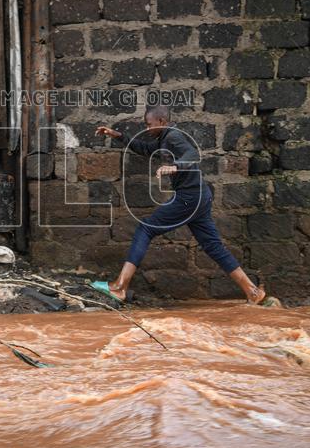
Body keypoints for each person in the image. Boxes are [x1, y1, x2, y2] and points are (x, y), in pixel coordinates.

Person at [90, 105, 266, 305]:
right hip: (200, 196)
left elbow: (192, 154)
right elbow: (144, 148)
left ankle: (120, 287)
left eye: (149, 125)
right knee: (213, 246)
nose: (146, 129)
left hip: (189, 198)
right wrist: (117, 135)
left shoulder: (173, 137)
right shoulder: (162, 139)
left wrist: (175, 166)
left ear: (162, 122)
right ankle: (252, 291)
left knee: (145, 228)